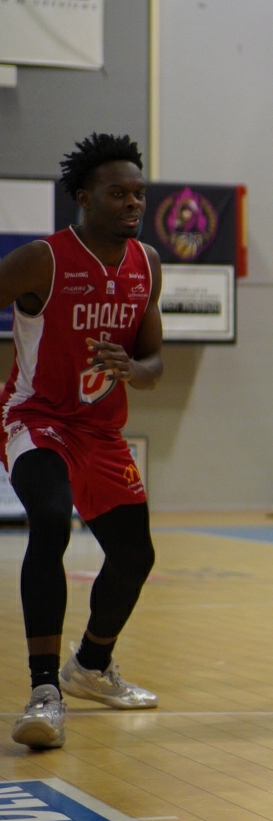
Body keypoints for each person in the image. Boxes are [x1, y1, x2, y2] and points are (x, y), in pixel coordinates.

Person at [1, 135, 165, 750]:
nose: (132, 203)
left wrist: (132, 367)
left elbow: (153, 362)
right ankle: (46, 691)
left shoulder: (147, 263)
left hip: (100, 429)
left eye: (139, 194)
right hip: (36, 418)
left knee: (136, 558)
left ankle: (91, 665)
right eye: (118, 193)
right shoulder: (41, 260)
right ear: (83, 196)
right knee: (49, 520)